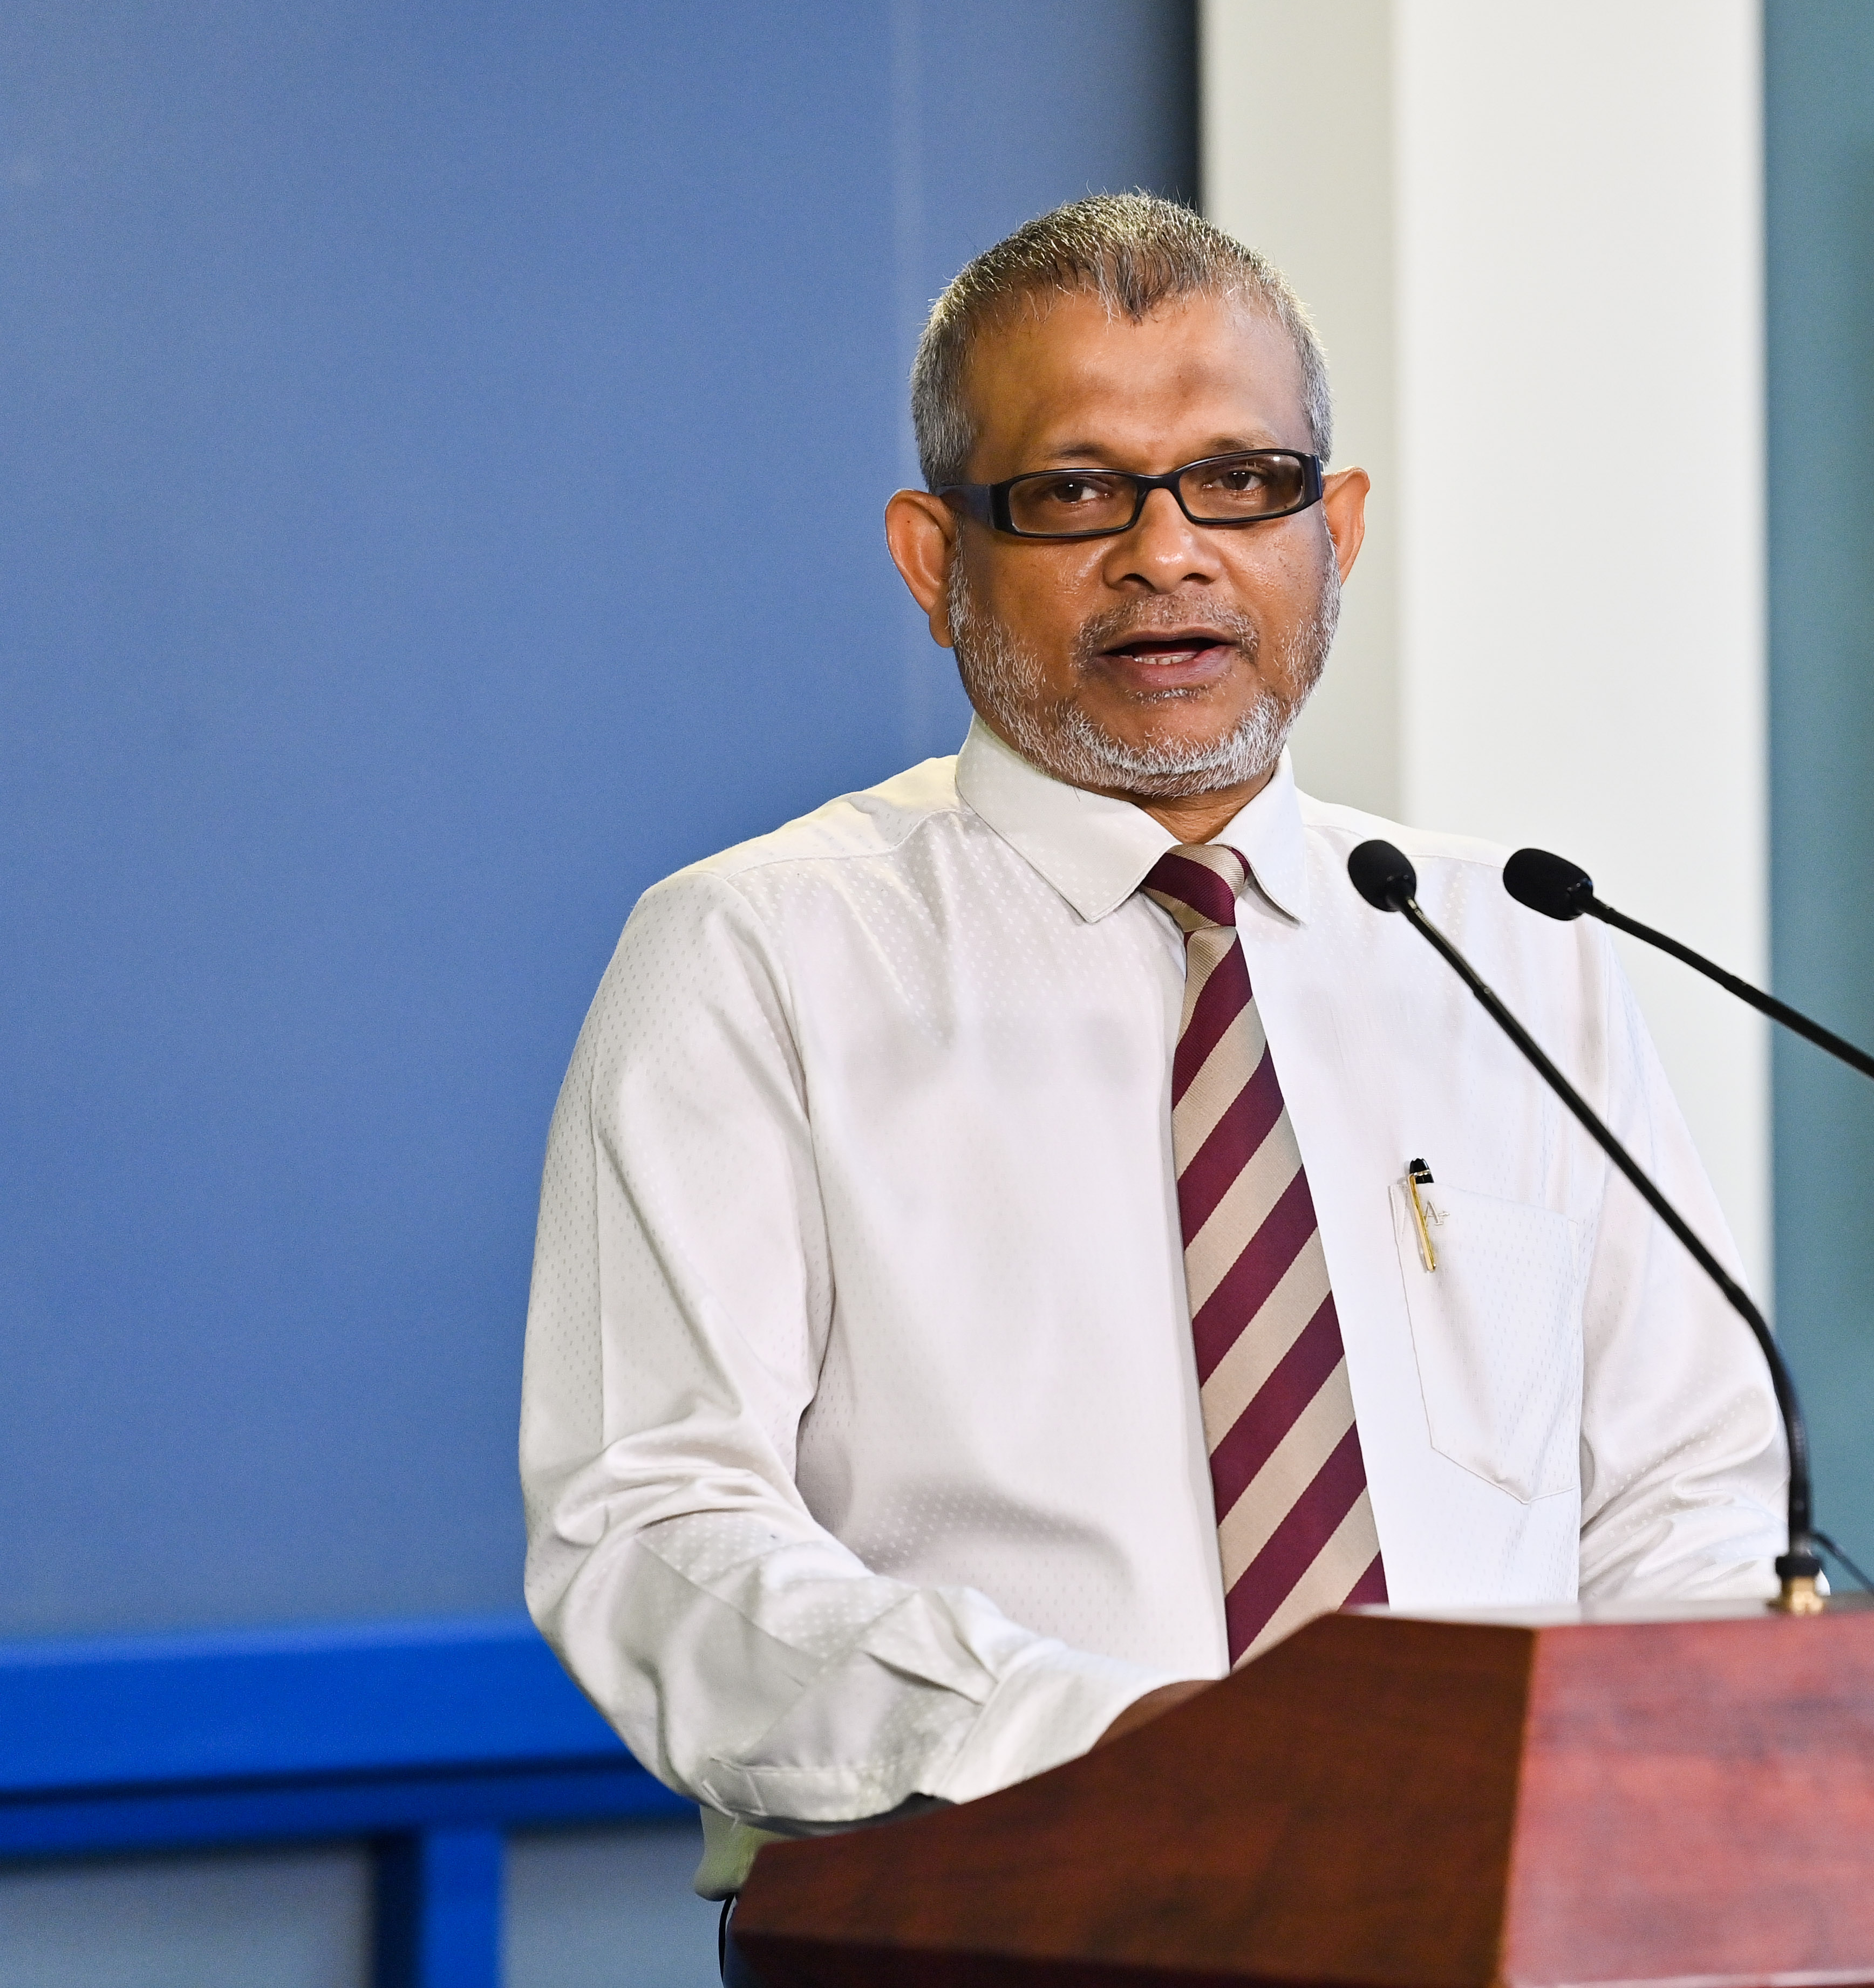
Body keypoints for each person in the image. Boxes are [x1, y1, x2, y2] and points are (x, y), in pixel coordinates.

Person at [518, 194, 1785, 1907]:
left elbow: (1687, 1494)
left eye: (1241, 484)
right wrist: (1125, 1748)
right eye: (1075, 493)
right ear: (932, 557)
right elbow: (653, 1543)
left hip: (1505, 1914)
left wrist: (1641, 1817)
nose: (1168, 552)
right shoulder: (757, 954)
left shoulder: (1511, 951)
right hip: (1000, 1908)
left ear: (1334, 531)